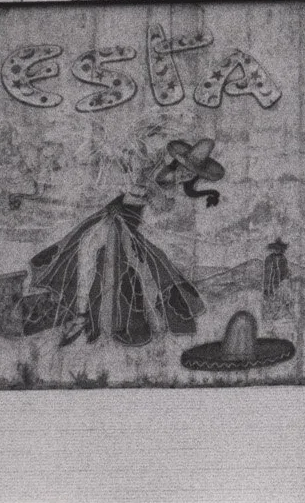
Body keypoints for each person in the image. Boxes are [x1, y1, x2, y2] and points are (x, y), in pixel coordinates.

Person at [20, 134, 207, 346]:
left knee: (128, 267)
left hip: (126, 224)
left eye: (191, 174)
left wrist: (153, 192)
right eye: (185, 168)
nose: (186, 175)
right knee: (86, 252)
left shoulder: (169, 187)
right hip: (113, 217)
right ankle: (81, 314)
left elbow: (158, 205)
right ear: (178, 163)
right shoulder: (158, 170)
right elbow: (137, 185)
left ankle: (94, 317)